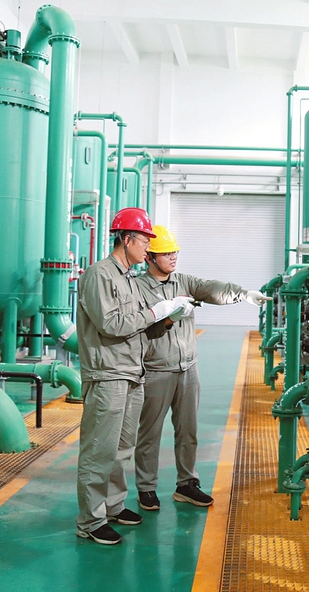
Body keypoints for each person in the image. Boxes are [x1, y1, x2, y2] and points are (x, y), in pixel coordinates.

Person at [75, 208, 193, 546]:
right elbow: (111, 325)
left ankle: (113, 507)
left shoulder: (128, 278)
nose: (148, 248)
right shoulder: (100, 275)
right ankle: (90, 520)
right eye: (144, 241)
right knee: (99, 450)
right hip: (108, 374)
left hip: (133, 372)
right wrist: (155, 311)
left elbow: (140, 329)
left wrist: (168, 318)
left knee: (122, 449)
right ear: (127, 240)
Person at [134, 225, 269, 511]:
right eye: (166, 253)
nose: (173, 257)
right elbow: (144, 331)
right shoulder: (138, 289)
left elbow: (212, 289)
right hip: (157, 370)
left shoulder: (183, 281)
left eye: (175, 252)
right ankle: (146, 488)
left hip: (188, 368)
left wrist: (244, 294)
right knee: (150, 432)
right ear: (149, 257)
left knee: (188, 430)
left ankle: (187, 484)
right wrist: (170, 318)